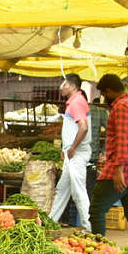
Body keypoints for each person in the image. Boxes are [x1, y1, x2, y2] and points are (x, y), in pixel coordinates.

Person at [88, 74, 128, 237]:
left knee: (97, 208)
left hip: (121, 171)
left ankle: (99, 247)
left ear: (108, 91)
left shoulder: (121, 107)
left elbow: (123, 139)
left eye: (104, 94)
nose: (104, 98)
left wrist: (118, 170)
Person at [48, 74, 92, 231]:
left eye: (64, 84)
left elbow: (83, 127)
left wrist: (72, 147)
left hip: (76, 154)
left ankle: (88, 228)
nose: (61, 87)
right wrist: (66, 149)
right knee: (62, 189)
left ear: (73, 87)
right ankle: (50, 222)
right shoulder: (74, 102)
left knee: (78, 192)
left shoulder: (77, 103)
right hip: (72, 154)